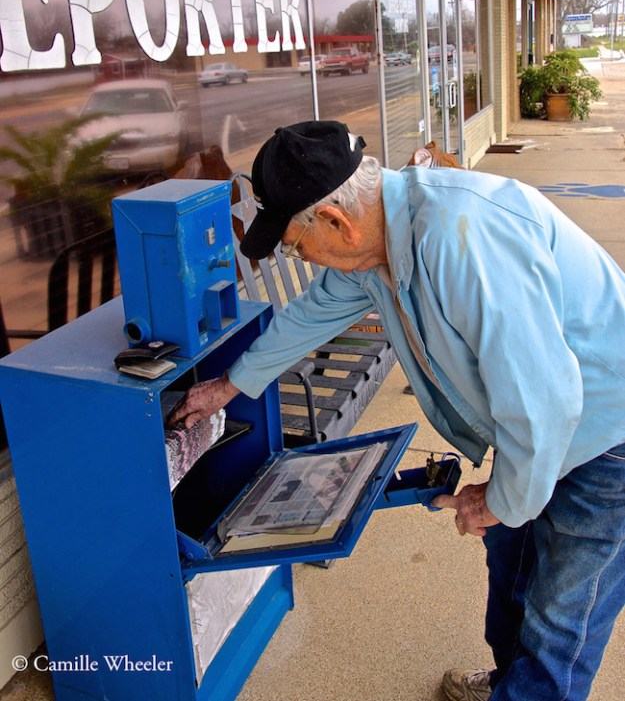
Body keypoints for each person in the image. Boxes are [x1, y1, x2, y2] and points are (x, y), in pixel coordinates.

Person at [172, 120, 625, 701]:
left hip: (607, 435)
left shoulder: (463, 236)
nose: (302, 258)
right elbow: (310, 315)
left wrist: (501, 500)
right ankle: (510, 681)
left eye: (294, 244)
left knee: (561, 619)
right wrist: (228, 387)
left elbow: (546, 401)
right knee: (512, 569)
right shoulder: (379, 243)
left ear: (336, 221)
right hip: (546, 429)